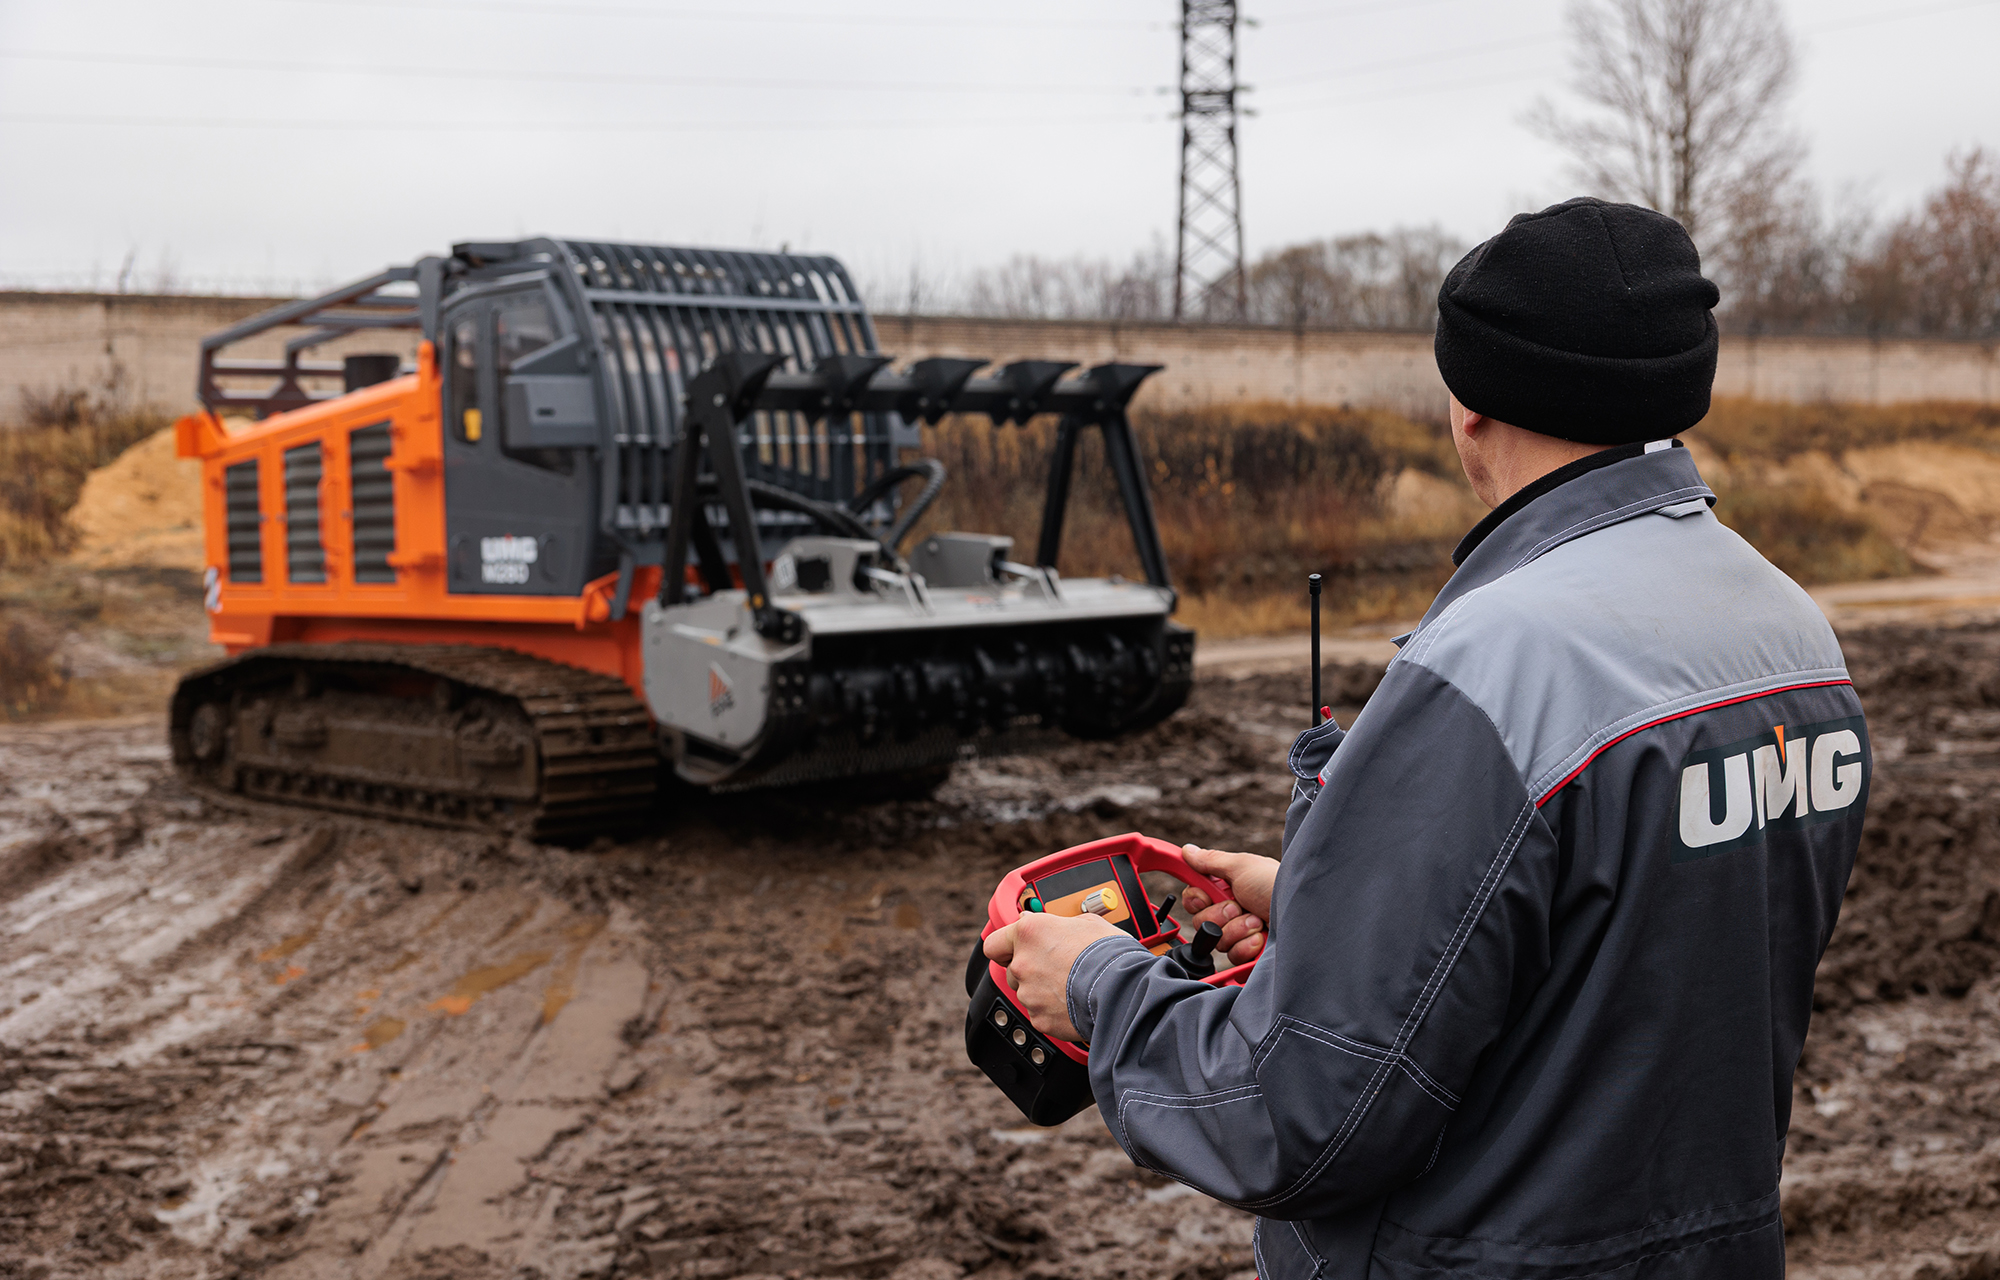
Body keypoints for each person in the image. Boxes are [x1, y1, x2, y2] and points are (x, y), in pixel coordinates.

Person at [983, 197, 1868, 1280]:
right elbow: (1629, 960)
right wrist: (1336, 907)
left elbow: (1289, 1117)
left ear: (1470, 404)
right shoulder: (1793, 633)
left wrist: (1101, 986)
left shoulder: (1493, 665)